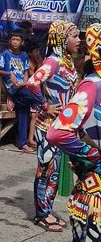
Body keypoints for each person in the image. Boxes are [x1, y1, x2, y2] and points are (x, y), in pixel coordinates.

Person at [46, 23, 101, 241]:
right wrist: (90, 154)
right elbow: (57, 133)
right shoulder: (92, 85)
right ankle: (43, 213)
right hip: (96, 190)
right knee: (47, 172)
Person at [27, 20, 80, 232]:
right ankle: (41, 214)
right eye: (75, 36)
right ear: (62, 39)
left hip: (62, 127)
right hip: (48, 126)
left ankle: (47, 211)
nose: (79, 40)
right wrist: (45, 105)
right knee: (46, 170)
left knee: (54, 172)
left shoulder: (66, 61)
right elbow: (32, 83)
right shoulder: (53, 62)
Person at [0, 29, 38, 153]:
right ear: (9, 41)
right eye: (13, 39)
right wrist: (9, 73)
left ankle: (22, 143)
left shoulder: (24, 55)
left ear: (22, 42)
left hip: (21, 88)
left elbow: (25, 72)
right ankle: (44, 104)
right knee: (34, 98)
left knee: (23, 111)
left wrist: (25, 82)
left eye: (17, 40)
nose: (15, 42)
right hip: (11, 87)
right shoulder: (5, 54)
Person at [26, 41, 42, 148]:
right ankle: (30, 139)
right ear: (30, 53)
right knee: (34, 115)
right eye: (36, 51)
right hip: (31, 92)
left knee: (37, 115)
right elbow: (34, 77)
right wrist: (40, 65)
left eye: (38, 51)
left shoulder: (37, 62)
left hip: (38, 92)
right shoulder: (29, 63)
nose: (38, 53)